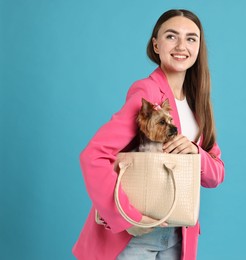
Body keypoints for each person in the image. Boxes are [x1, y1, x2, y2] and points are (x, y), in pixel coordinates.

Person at [72, 9, 225, 260]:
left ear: (199, 47)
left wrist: (195, 152)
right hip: (136, 239)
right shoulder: (148, 91)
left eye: (191, 38)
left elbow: (216, 174)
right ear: (156, 44)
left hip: (179, 236)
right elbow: (94, 155)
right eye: (171, 36)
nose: (181, 46)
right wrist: (127, 217)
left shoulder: (198, 105)